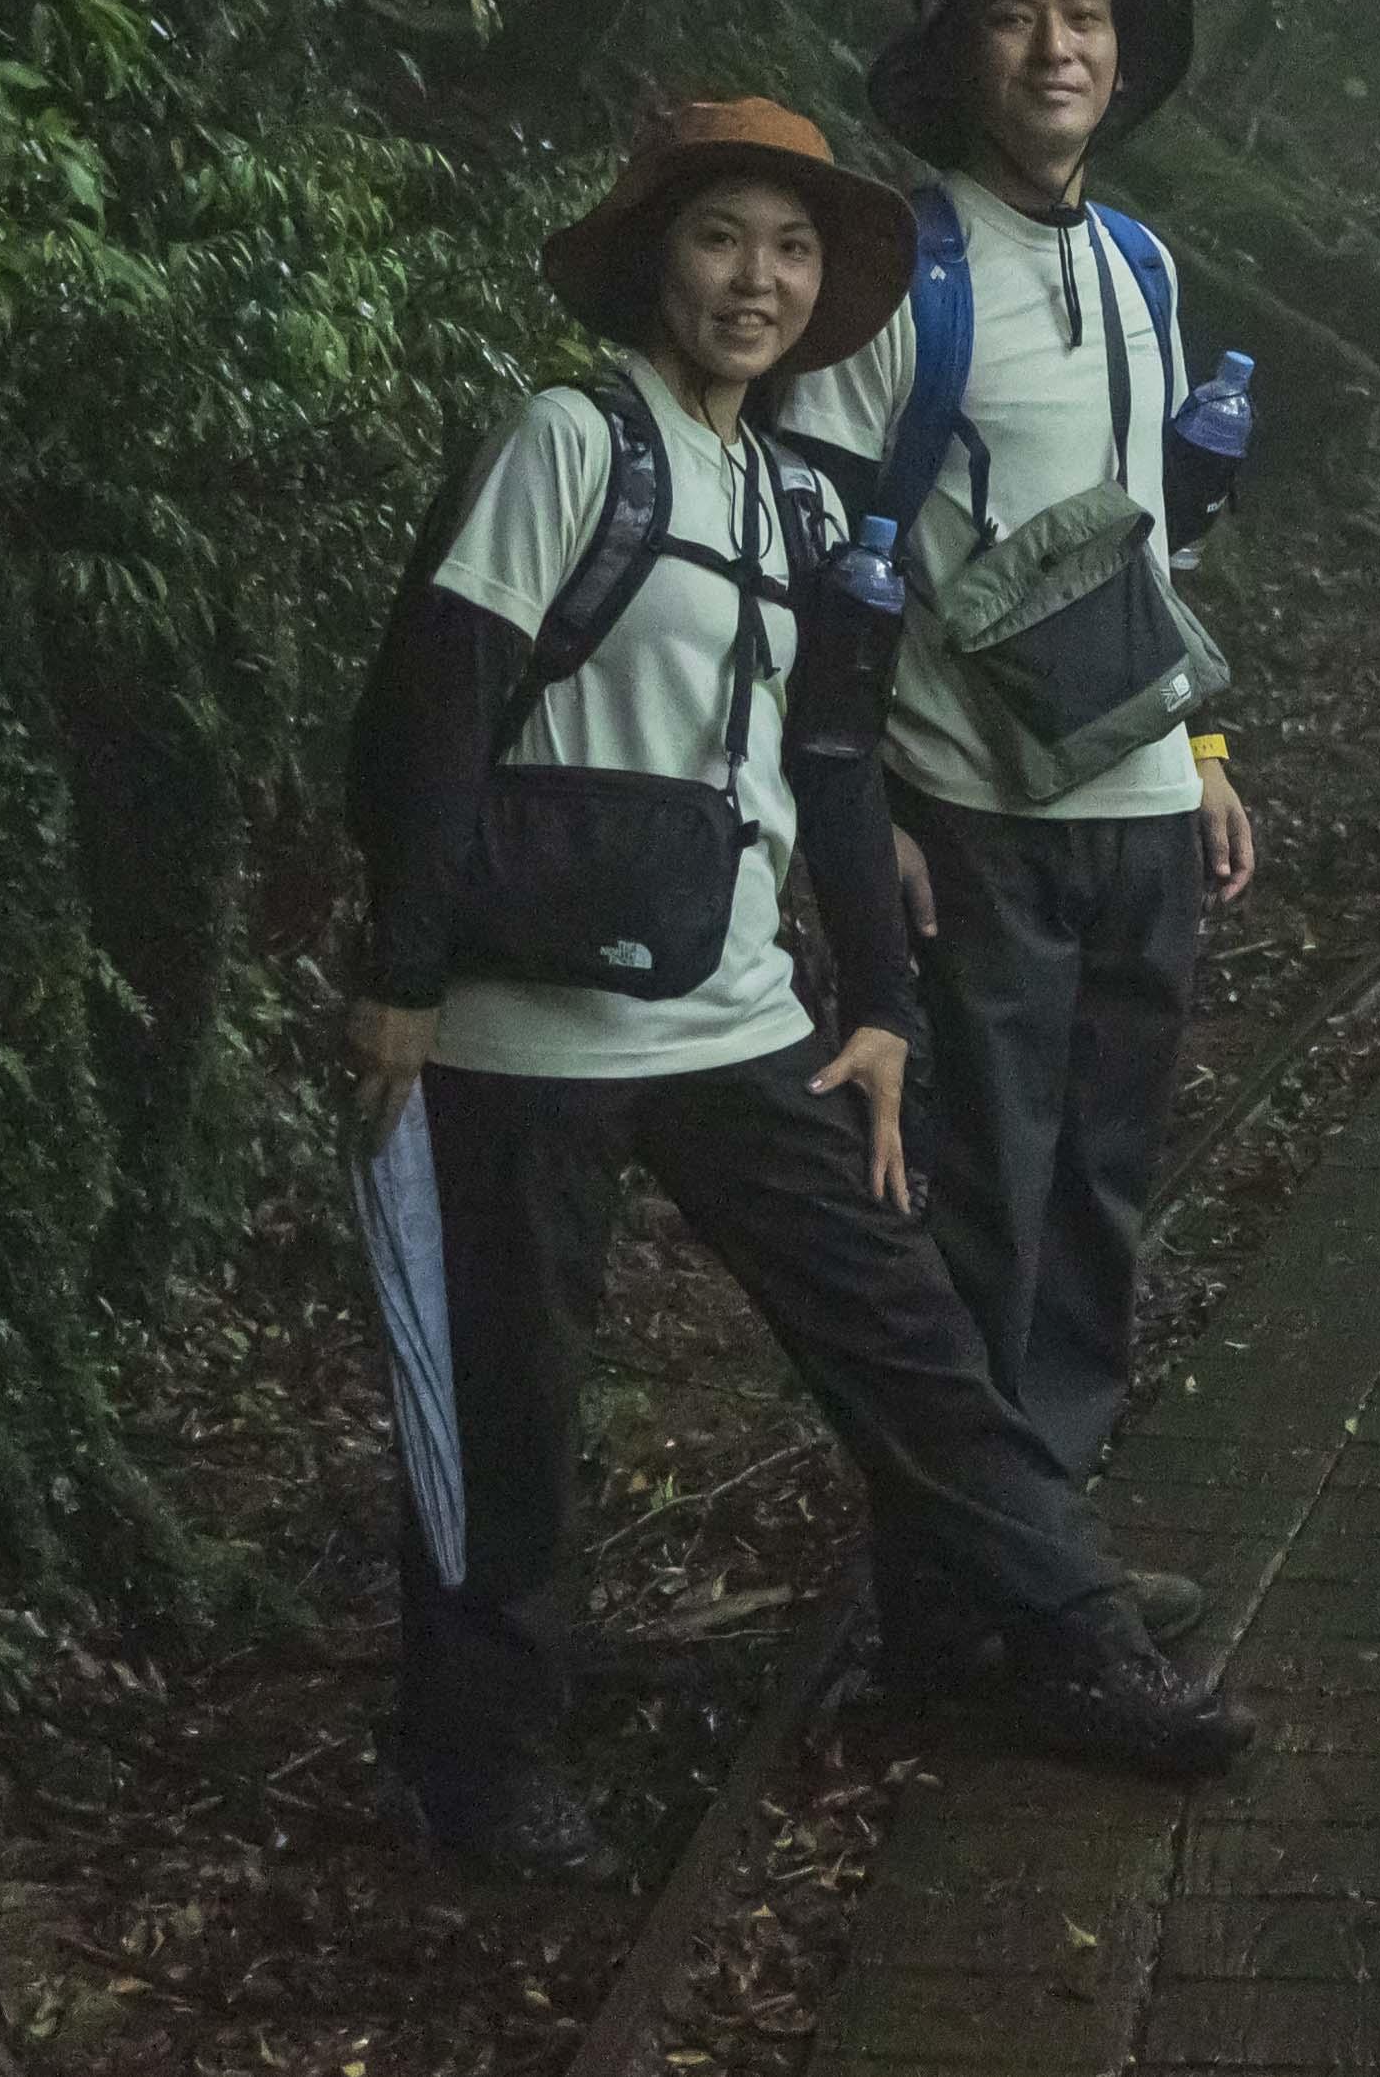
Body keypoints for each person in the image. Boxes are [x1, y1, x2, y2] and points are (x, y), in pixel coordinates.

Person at [348, 94, 1248, 1880]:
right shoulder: (563, 438)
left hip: (738, 1013)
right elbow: (436, 708)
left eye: (791, 249)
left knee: (903, 1334)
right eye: (718, 239)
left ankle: (1074, 1633)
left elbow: (832, 762)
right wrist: (400, 974)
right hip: (522, 1025)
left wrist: (884, 1007)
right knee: (512, 1389)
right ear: (653, 260)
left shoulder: (790, 487)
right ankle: (484, 1756)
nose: (755, 279)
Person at [778, 0, 1256, 1662]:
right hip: (970, 821)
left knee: (1098, 1201)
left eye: (1085, 17)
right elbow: (827, 559)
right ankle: (963, 1596)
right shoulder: (904, 272)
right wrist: (866, 813)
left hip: (1136, 818)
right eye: (1012, 19)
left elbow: (1150, 543)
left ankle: (1042, 1556)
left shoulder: (1141, 262)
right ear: (957, 61)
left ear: (1122, 58)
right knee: (974, 1205)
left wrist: (1201, 746)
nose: (1056, 47)